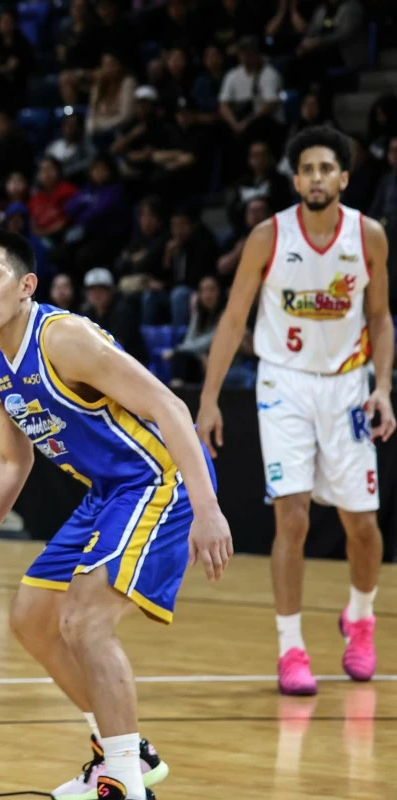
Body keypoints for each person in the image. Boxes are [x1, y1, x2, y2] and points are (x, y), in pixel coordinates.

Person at [0, 228, 232, 800]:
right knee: (32, 617)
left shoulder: (63, 338)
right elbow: (10, 464)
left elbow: (169, 404)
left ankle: (124, 780)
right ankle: (122, 748)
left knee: (84, 620)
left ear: (26, 286)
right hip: (107, 493)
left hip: (159, 477)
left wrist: (208, 506)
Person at [196, 124, 394, 696]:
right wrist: (208, 400)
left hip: (349, 385)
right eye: (306, 169)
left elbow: (380, 318)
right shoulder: (268, 236)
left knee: (362, 524)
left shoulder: (369, 236)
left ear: (344, 178)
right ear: (295, 178)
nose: (316, 177)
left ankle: (360, 618)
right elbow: (233, 319)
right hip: (282, 383)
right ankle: (291, 649)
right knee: (294, 517)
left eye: (326, 168)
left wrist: (382, 387)